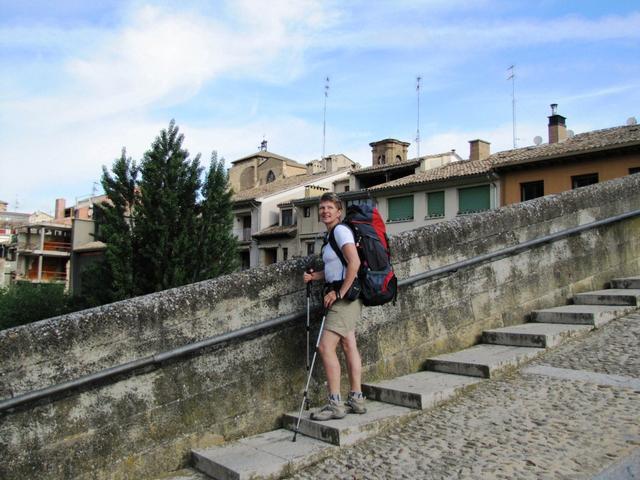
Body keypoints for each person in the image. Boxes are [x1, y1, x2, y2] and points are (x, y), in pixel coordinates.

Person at [303, 192, 367, 420]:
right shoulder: (331, 235)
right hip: (345, 295)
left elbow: (354, 263)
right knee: (349, 344)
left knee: (325, 347)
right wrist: (316, 276)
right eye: (322, 208)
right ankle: (357, 399)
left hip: (344, 298)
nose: (325, 211)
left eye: (330, 207)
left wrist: (339, 293)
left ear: (339, 212)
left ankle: (335, 404)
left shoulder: (340, 231)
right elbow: (336, 267)